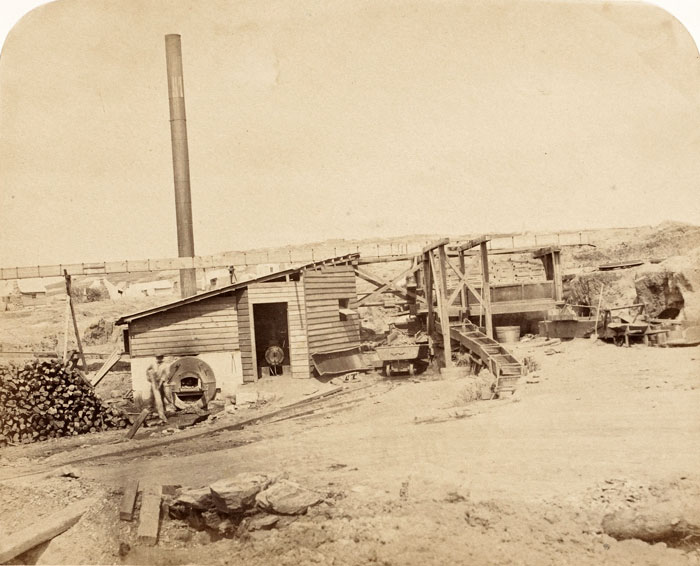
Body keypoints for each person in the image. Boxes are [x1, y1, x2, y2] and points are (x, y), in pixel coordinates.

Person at [146, 355, 171, 423]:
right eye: (158, 358)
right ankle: (149, 414)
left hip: (161, 383)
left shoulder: (165, 365)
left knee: (161, 399)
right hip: (153, 382)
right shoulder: (153, 364)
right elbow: (147, 370)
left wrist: (160, 384)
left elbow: (165, 375)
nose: (159, 359)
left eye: (160, 358)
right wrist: (149, 378)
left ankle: (163, 413)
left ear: (162, 358)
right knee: (151, 399)